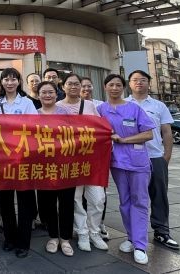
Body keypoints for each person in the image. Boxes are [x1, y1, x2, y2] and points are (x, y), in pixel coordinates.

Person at [98, 74, 155, 265]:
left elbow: (148, 134)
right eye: (111, 85)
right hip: (116, 162)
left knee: (139, 201)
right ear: (105, 87)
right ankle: (131, 237)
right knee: (125, 201)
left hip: (137, 162)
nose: (114, 88)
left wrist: (124, 140)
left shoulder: (134, 108)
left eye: (118, 85)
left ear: (124, 88)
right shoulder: (101, 109)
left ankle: (140, 245)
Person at [53, 73, 108, 253]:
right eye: (70, 84)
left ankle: (95, 232)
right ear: (63, 86)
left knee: (98, 199)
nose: (74, 87)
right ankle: (82, 233)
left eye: (77, 84)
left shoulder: (90, 105)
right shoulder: (57, 107)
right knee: (75, 200)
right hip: (68, 162)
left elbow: (101, 127)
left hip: (90, 160)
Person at [127, 70, 179, 251]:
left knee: (159, 195)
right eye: (135, 80)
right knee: (134, 196)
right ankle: (133, 234)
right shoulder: (124, 104)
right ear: (129, 84)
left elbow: (166, 132)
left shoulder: (158, 106)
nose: (139, 83)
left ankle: (162, 231)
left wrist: (166, 157)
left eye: (143, 80)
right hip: (132, 158)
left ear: (149, 83)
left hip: (155, 156)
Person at [0, 67, 38, 258]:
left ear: (19, 82)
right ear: (1, 82)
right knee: (5, 201)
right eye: (6, 79)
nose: (9, 83)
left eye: (13, 79)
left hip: (23, 158)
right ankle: (9, 238)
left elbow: (35, 128)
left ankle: (23, 242)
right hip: (2, 159)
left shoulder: (27, 103)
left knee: (25, 201)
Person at [32, 80, 76, 258]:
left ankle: (65, 238)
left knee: (66, 202)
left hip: (64, 164)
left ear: (56, 94)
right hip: (43, 166)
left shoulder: (65, 113)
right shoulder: (33, 114)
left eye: (50, 92)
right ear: (38, 95)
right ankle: (52, 236)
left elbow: (75, 136)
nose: (47, 95)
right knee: (46, 202)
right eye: (43, 92)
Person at [79, 76, 109, 240]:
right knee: (77, 197)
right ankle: (81, 229)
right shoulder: (62, 106)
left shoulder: (98, 105)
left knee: (98, 197)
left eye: (88, 85)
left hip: (94, 156)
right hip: (72, 157)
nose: (85, 89)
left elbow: (104, 127)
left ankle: (97, 227)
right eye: (82, 86)